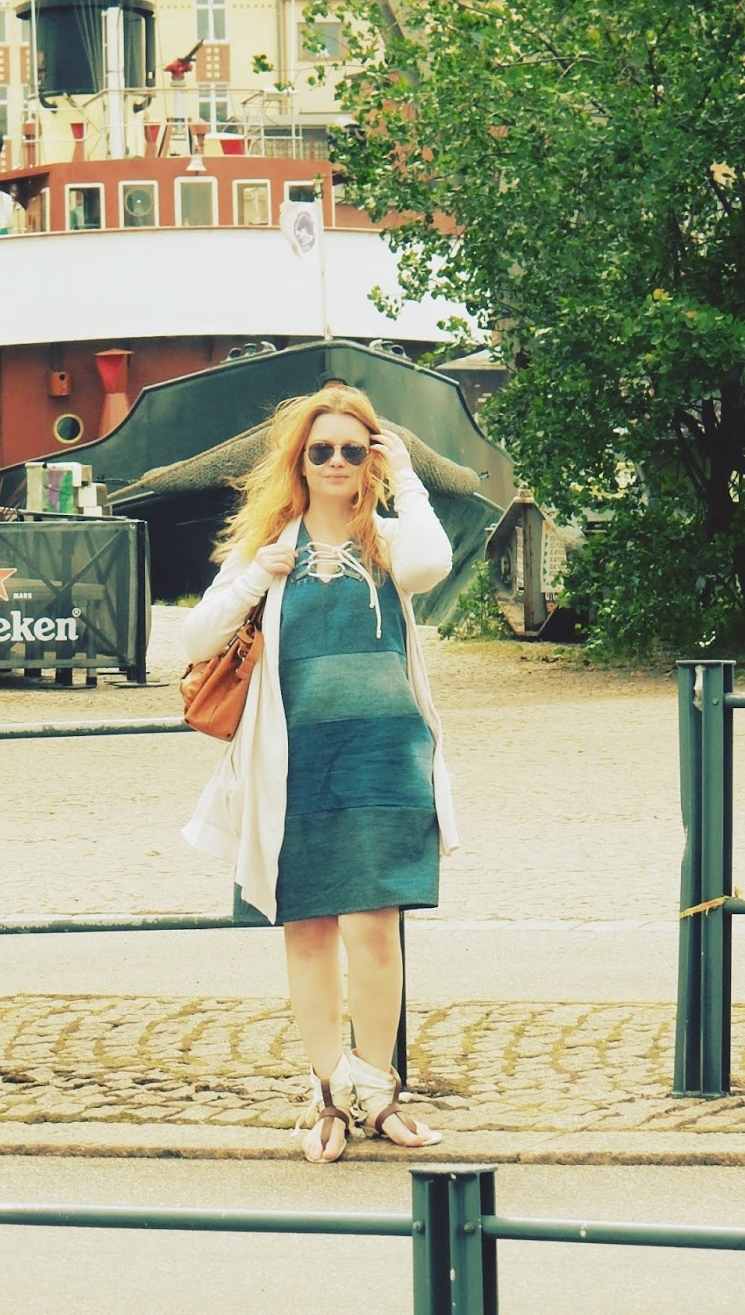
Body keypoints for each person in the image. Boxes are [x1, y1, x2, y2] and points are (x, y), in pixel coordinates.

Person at [182, 385, 458, 1163]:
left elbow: (433, 563)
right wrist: (253, 578)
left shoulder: (390, 541)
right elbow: (195, 639)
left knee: (375, 930)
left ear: (371, 460)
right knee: (306, 930)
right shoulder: (268, 548)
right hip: (293, 761)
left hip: (383, 757)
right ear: (299, 462)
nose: (336, 461)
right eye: (321, 450)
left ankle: (379, 1094)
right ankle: (331, 1097)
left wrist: (407, 477)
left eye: (353, 450)